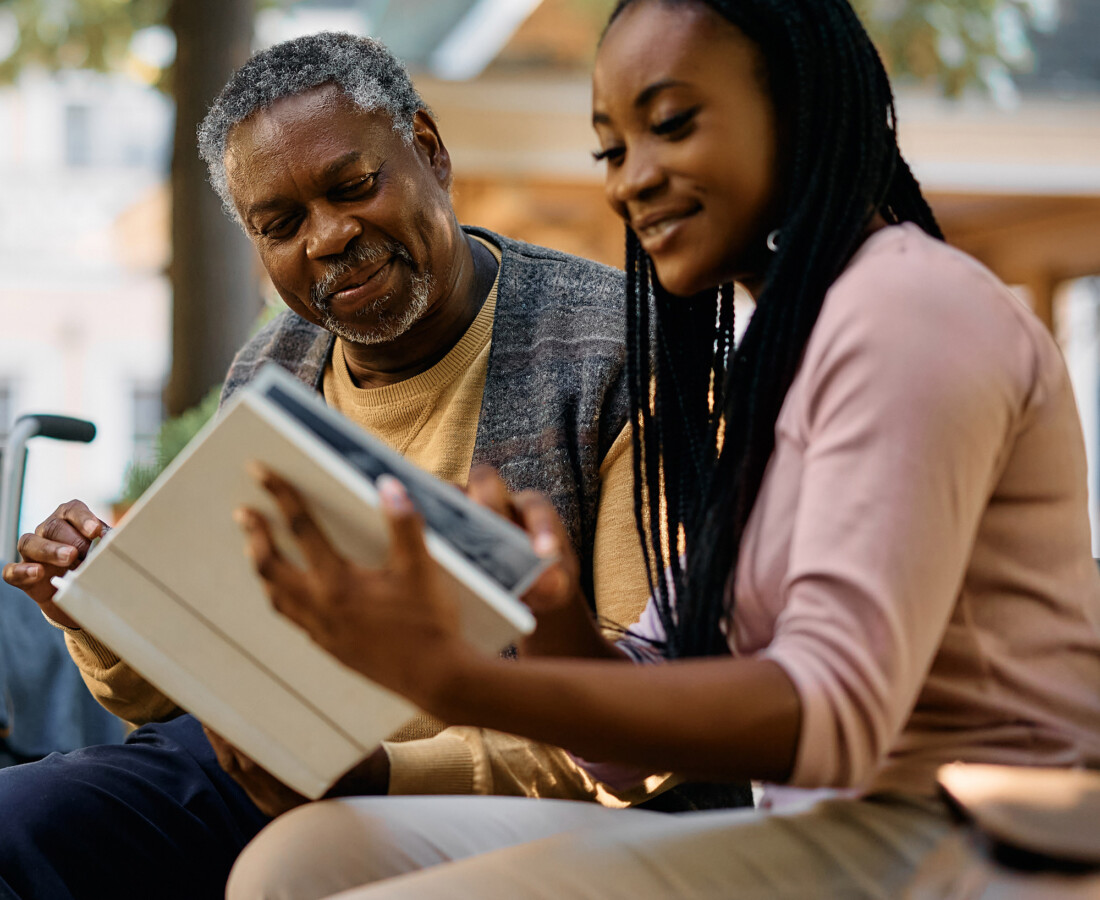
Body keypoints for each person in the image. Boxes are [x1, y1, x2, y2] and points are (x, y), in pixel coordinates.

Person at [221, 1, 1100, 898]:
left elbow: (833, 710)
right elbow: (632, 726)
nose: (630, 181)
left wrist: (455, 682)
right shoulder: (783, 354)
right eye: (611, 149)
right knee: (299, 863)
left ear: (796, 103)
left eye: (671, 125)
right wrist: (550, 613)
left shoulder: (908, 314)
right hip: (829, 827)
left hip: (980, 841)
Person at [0, 32, 744, 900]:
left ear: (428, 150)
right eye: (279, 225)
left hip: (544, 799)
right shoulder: (273, 373)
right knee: (23, 825)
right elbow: (181, 692)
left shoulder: (624, 354)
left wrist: (377, 774)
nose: (327, 237)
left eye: (353, 188)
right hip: (290, 766)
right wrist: (96, 605)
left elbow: (643, 720)